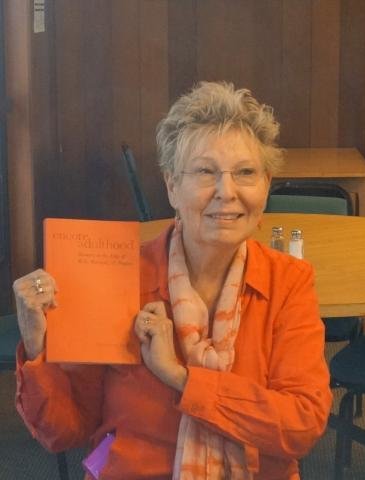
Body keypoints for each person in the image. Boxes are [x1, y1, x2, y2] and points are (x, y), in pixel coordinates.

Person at [13, 81, 332, 479]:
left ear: (266, 185)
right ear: (171, 186)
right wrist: (38, 343)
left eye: (246, 173)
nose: (226, 192)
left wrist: (180, 377)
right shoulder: (120, 278)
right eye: (204, 171)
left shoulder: (289, 281)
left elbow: (301, 425)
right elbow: (64, 431)